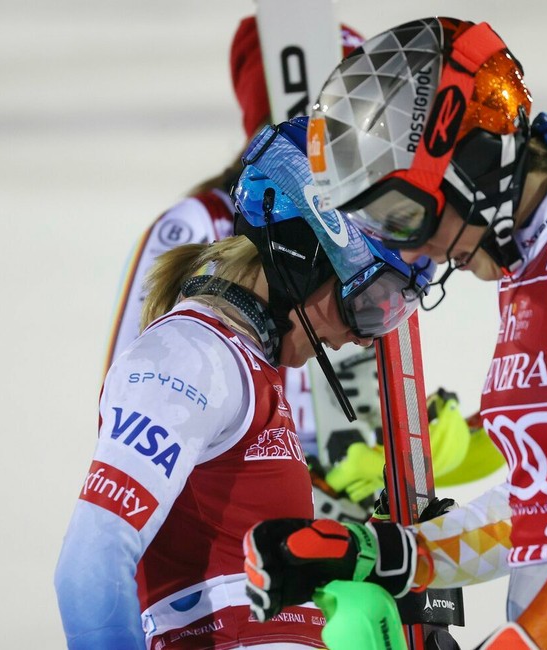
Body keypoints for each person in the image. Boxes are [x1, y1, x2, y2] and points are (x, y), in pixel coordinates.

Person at [244, 17, 547, 649]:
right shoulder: (540, 260)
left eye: (404, 215)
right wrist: (386, 552)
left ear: (471, 163)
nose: (413, 252)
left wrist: (521, 644)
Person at [104, 14, 501, 525]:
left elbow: (364, 373)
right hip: (238, 511)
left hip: (328, 516)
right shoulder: (200, 224)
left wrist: (432, 443)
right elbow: (135, 407)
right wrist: (304, 484)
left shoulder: (373, 235)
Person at [54, 117, 432, 649]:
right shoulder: (188, 357)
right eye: (367, 304)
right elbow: (89, 563)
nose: (363, 337)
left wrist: (372, 556)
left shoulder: (245, 366)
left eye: (390, 311)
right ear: (301, 259)